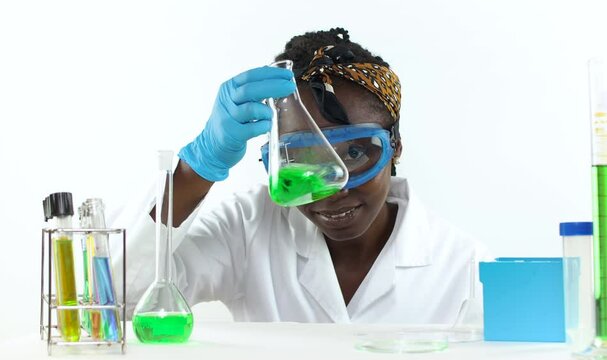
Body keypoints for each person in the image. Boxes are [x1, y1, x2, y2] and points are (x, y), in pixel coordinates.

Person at [116, 28, 491, 323]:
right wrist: (197, 167)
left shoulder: (465, 268)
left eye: (356, 152)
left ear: (395, 146)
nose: (332, 190)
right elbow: (119, 298)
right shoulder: (248, 228)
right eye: (301, 159)